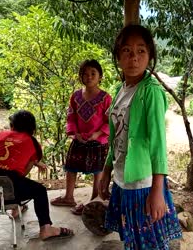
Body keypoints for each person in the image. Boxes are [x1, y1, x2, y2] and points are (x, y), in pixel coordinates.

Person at [100, 25, 182, 249]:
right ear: (118, 56)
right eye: (126, 51)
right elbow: (115, 138)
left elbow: (158, 144)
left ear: (150, 56)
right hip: (122, 180)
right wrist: (107, 172)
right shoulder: (120, 89)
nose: (133, 58)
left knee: (149, 243)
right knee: (132, 240)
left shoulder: (151, 92)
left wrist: (158, 190)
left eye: (141, 51)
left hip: (143, 185)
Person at [0, 110, 74, 240]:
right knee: (38, 190)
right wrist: (35, 163)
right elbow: (24, 168)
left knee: (18, 182)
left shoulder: (2, 134)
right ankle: (46, 228)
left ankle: (18, 207)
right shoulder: (32, 142)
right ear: (32, 128)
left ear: (12, 125)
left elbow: (4, 155)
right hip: (9, 188)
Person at [50, 59, 112, 216]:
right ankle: (68, 197)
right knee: (71, 166)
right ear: (80, 77)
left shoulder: (106, 98)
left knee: (98, 171)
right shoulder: (75, 96)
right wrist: (75, 133)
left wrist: (97, 134)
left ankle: (93, 200)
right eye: (85, 74)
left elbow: (110, 121)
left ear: (100, 77)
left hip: (98, 141)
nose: (89, 77)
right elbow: (70, 117)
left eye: (93, 73)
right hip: (79, 139)